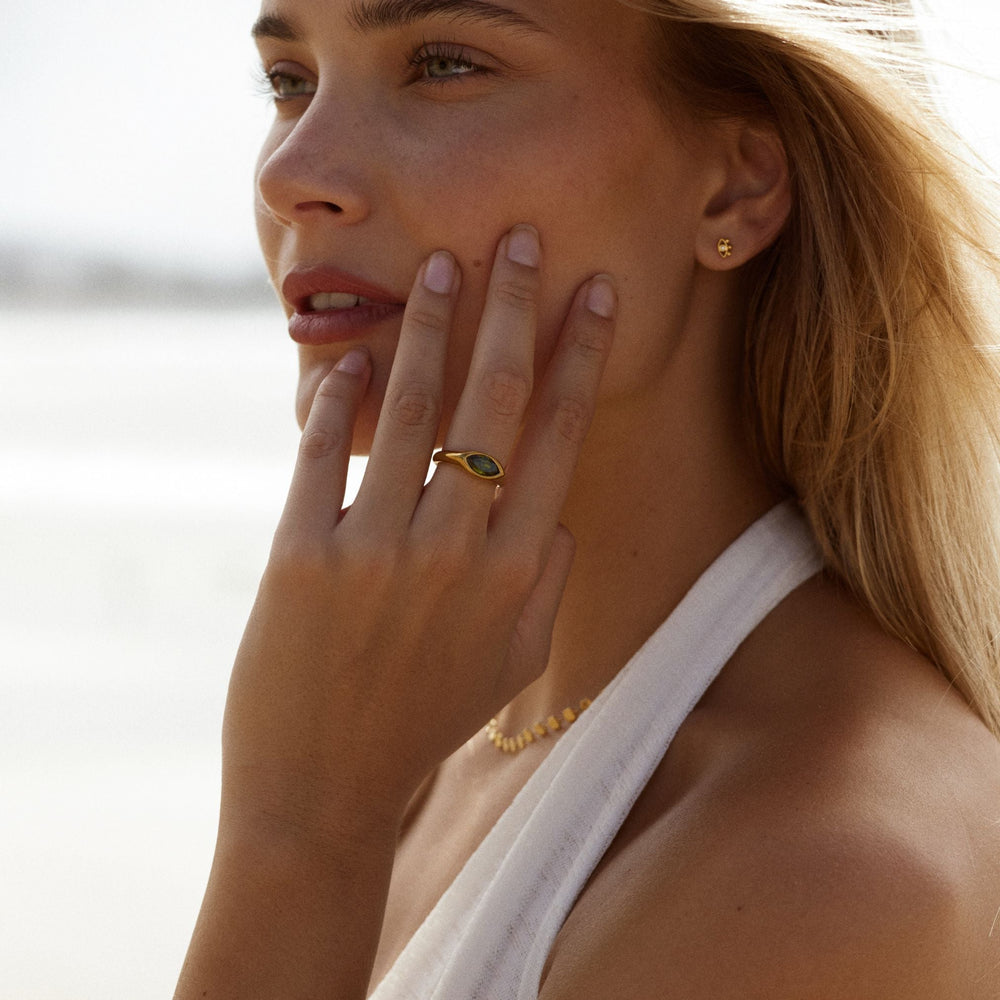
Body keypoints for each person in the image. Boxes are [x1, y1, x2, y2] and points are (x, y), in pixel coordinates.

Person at [176, 0, 1000, 996]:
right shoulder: (420, 716)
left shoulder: (827, 871)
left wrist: (299, 833)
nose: (289, 174)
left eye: (443, 64)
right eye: (289, 82)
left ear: (736, 186)